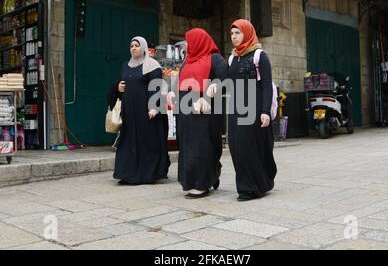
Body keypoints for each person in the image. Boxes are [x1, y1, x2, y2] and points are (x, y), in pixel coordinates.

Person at [167, 28, 228, 199]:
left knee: (201, 145)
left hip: (205, 110)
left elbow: (227, 80)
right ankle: (200, 177)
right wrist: (172, 92)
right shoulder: (188, 61)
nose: (187, 45)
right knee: (187, 145)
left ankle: (201, 183)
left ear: (199, 41)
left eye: (189, 41)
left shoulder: (215, 58)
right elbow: (180, 80)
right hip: (185, 111)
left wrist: (211, 90)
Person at [109, 36, 170, 185]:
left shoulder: (152, 65)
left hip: (146, 112)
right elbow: (120, 84)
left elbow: (157, 86)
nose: (134, 48)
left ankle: (147, 175)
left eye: (137, 45)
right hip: (129, 112)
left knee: (146, 143)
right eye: (131, 46)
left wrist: (154, 107)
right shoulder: (125, 65)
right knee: (128, 142)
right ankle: (127, 174)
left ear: (143, 48)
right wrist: (118, 88)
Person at [228, 19, 277, 201]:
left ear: (247, 33)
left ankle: (252, 187)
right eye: (232, 34)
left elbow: (266, 86)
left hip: (254, 107)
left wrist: (265, 111)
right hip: (235, 107)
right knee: (236, 146)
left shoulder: (259, 56)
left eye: (237, 33)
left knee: (249, 146)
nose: (233, 37)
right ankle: (247, 184)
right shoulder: (233, 57)